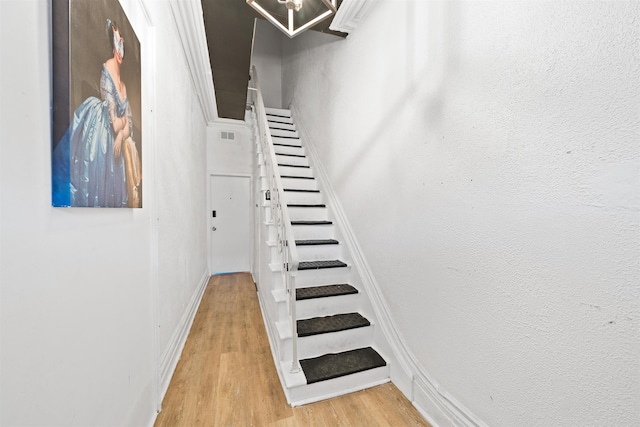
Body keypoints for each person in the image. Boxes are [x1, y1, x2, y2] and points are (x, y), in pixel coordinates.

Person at [66, 18, 138, 207]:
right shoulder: (107, 68)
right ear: (112, 46)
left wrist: (121, 136)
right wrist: (121, 125)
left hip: (117, 139)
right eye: (117, 43)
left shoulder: (123, 86)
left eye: (121, 42)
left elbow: (128, 126)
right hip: (102, 132)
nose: (120, 48)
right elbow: (114, 122)